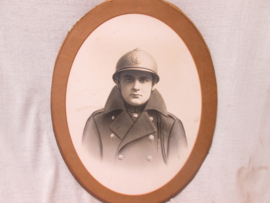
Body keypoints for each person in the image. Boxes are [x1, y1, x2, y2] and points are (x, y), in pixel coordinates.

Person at [82, 48, 187, 168]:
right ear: (118, 82)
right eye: (128, 79)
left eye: (143, 80)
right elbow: (89, 170)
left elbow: (178, 173)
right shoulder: (97, 122)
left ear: (153, 84)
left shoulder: (170, 124)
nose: (136, 87)